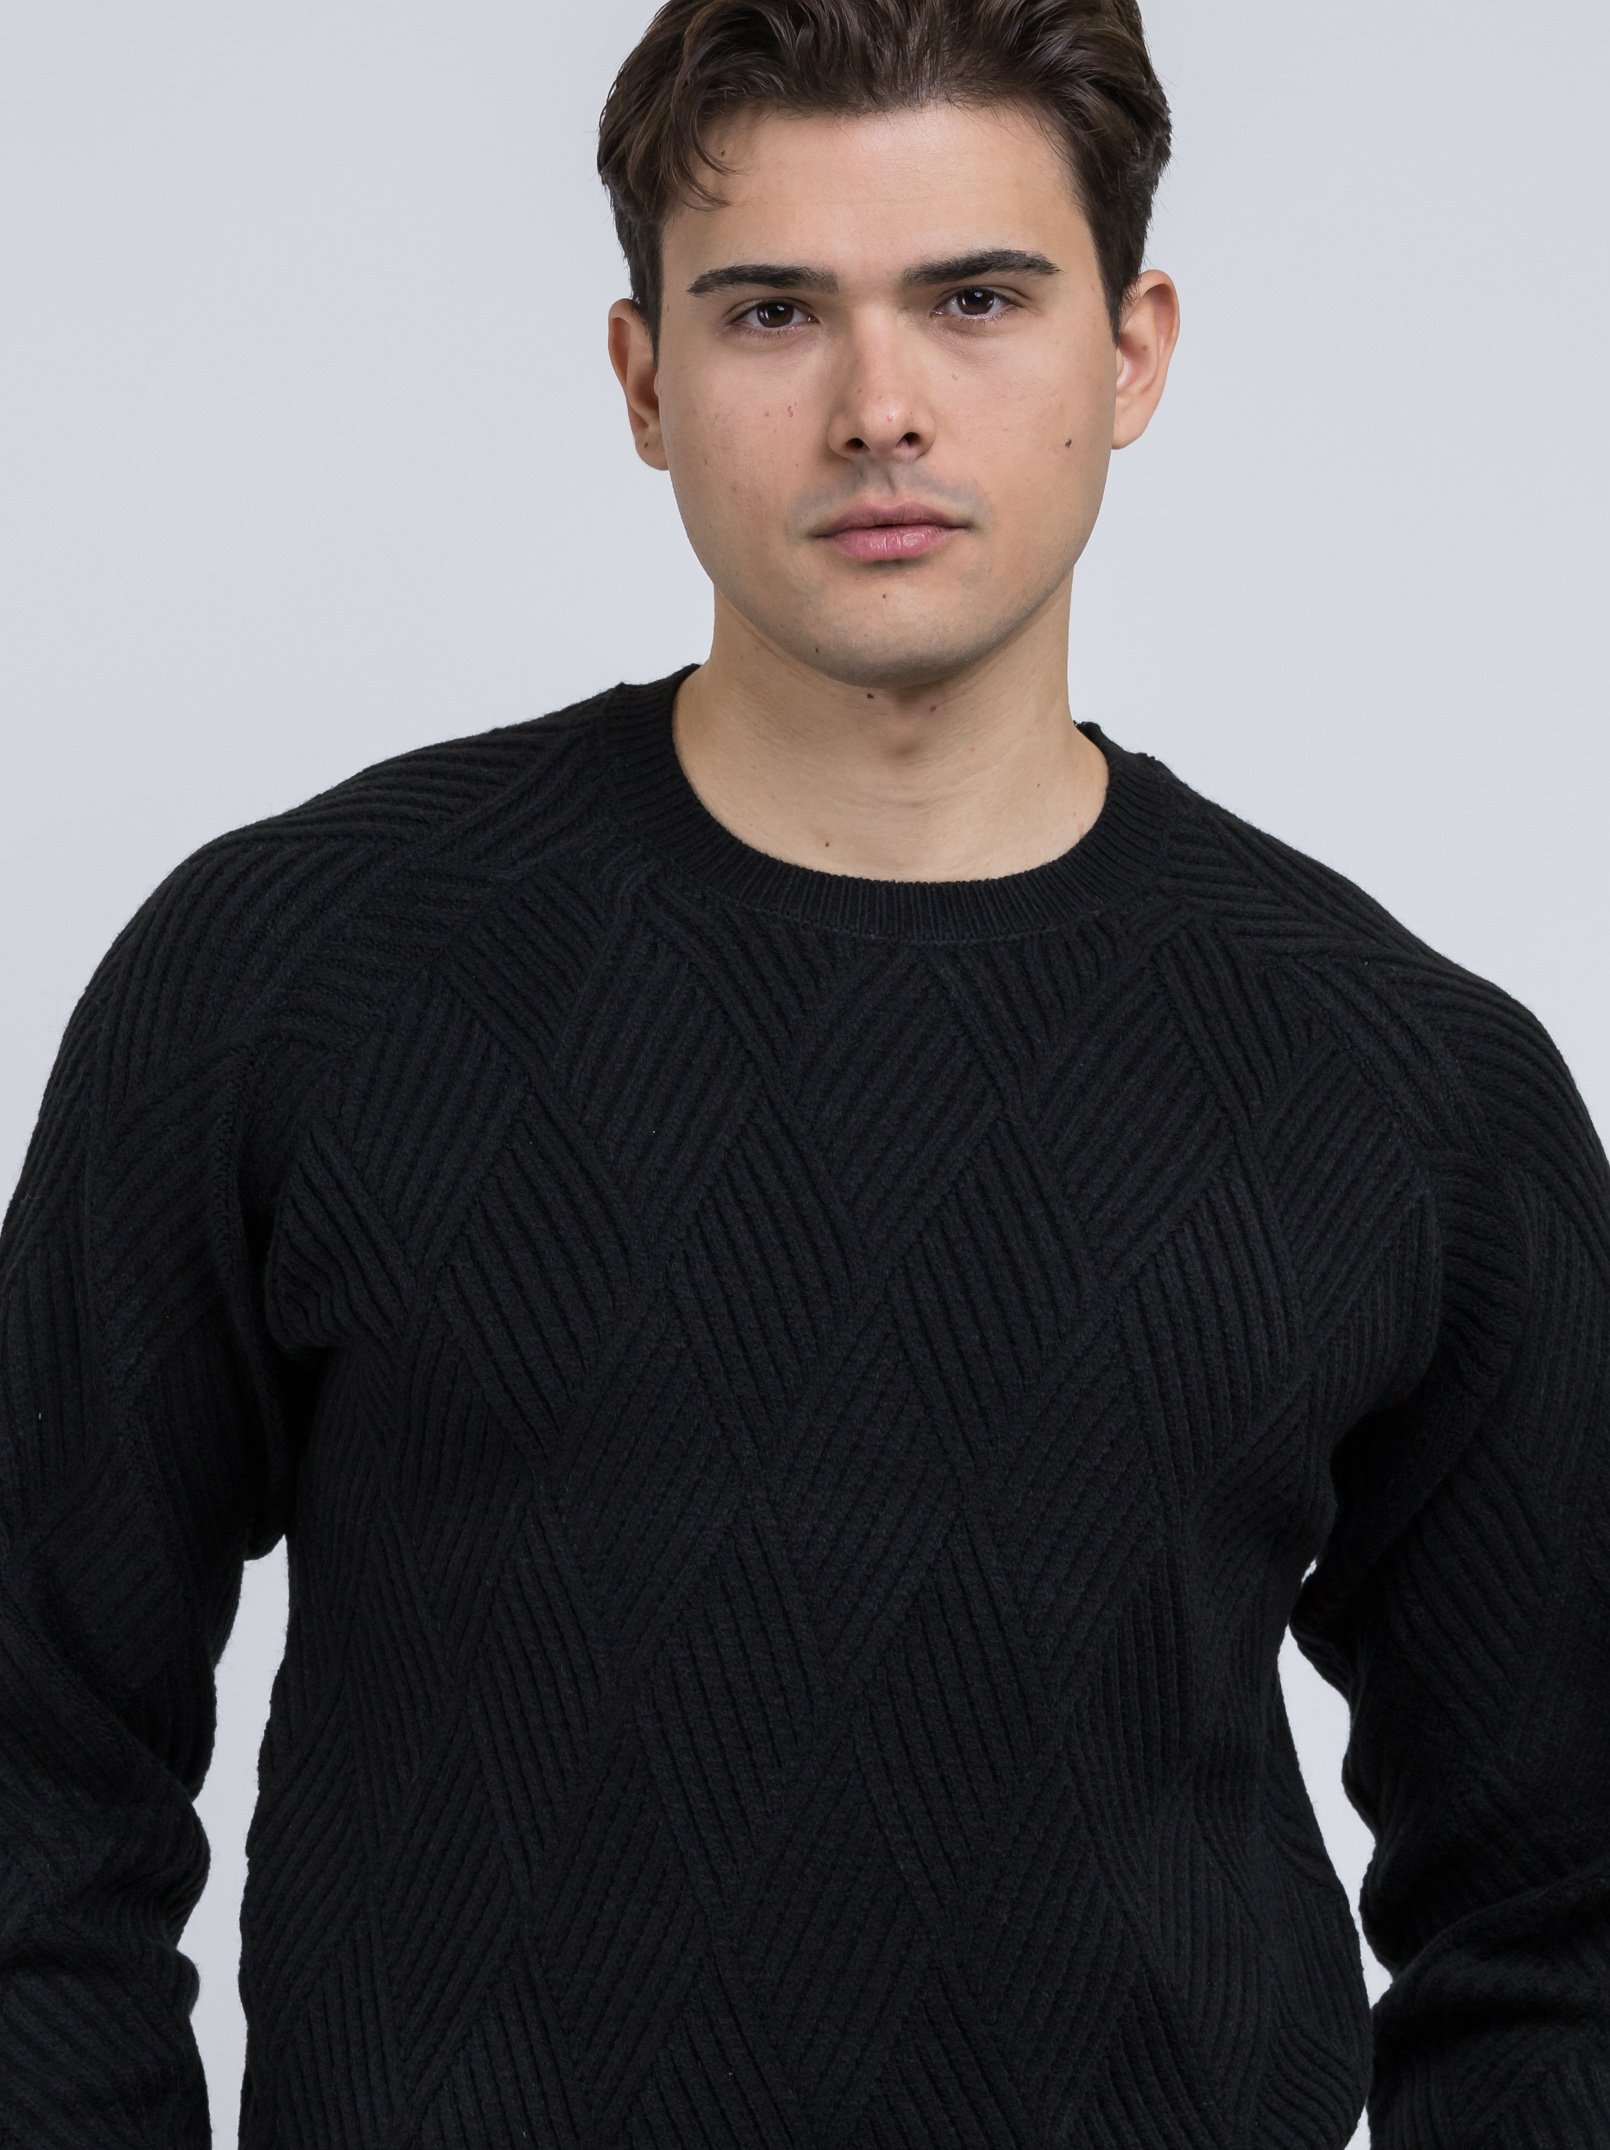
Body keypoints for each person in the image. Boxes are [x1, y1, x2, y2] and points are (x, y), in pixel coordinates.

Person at [2, 0, 1606, 2142]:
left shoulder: (1408, 1090)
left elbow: (1562, 1920)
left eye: (975, 300)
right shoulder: (294, 977)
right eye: (771, 311)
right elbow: (31, 1770)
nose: (878, 407)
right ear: (642, 380)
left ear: (1130, 354)